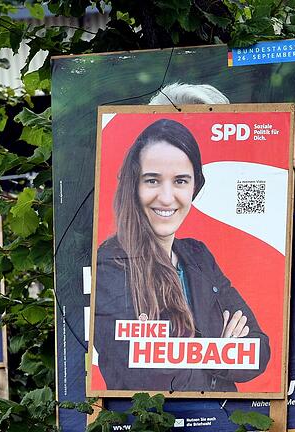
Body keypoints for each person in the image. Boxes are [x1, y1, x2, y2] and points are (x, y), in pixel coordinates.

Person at [93, 118, 271, 393]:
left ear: (194, 187)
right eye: (152, 180)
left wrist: (181, 350)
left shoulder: (197, 254)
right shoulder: (110, 263)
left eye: (180, 181)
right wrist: (219, 348)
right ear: (133, 185)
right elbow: (143, 375)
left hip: (221, 417)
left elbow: (258, 352)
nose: (167, 197)